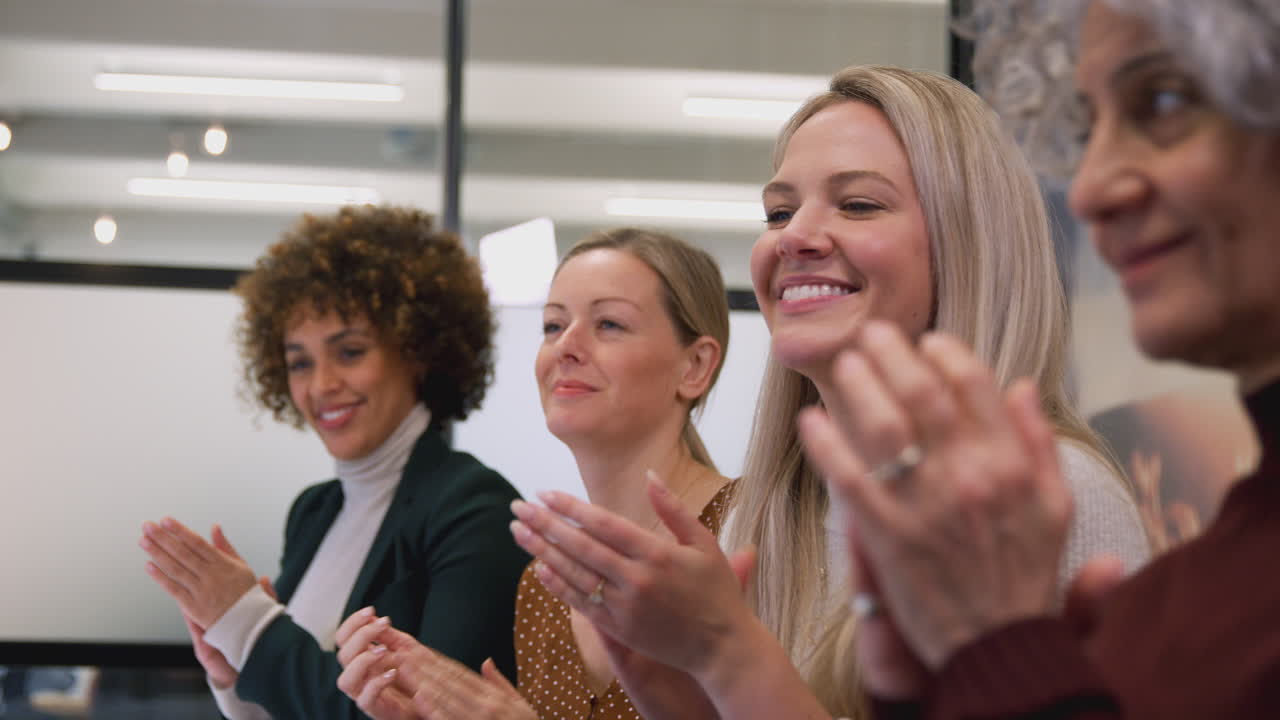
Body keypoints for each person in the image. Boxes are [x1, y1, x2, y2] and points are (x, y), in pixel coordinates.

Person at [503, 64, 1151, 720]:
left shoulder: (1053, 495)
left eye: (859, 203)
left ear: (966, 242)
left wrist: (729, 657)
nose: (794, 238)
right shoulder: (760, 523)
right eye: (779, 211)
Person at [799, 1, 1280, 717]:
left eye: (1164, 102)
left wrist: (995, 651)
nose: (1089, 188)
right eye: (1087, 128)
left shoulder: (1071, 505)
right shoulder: (1185, 598)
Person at [137, 205, 529, 719]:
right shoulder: (314, 511)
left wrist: (248, 626)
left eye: (349, 352)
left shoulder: (475, 508)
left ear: (416, 350)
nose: (321, 386)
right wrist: (234, 678)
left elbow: (421, 715)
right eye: (300, 362)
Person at [333, 228, 736, 719]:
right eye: (553, 325)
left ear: (695, 365)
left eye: (608, 323)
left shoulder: (756, 532)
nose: (566, 346)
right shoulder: (543, 586)